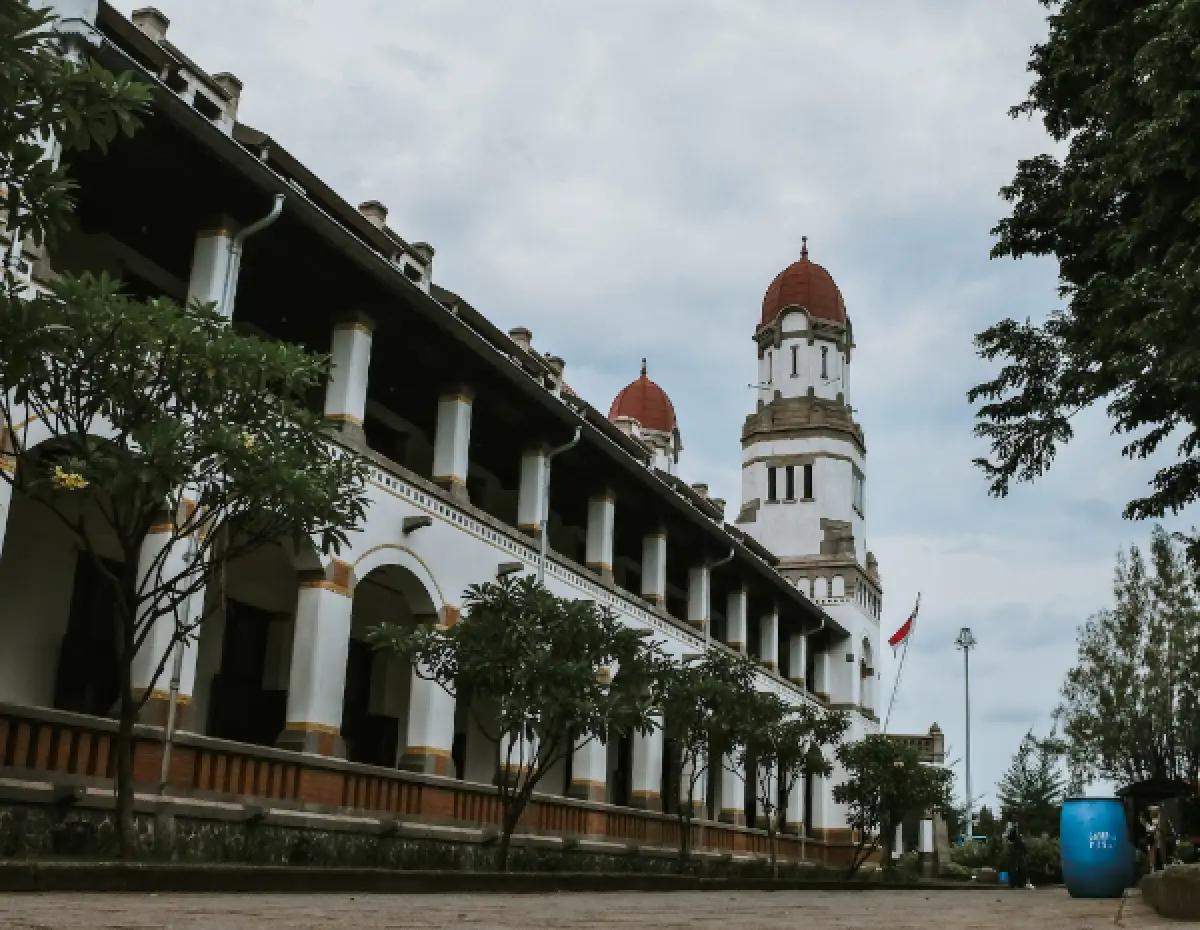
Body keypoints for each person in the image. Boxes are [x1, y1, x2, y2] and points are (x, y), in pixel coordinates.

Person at [1006, 821, 1031, 889]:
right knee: (1016, 868)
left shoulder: (1017, 838)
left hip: (1017, 853)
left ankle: (1017, 884)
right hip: (1017, 853)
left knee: (1017, 868)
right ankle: (1017, 884)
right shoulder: (1016, 837)